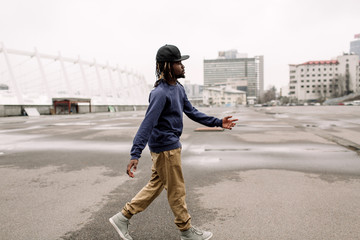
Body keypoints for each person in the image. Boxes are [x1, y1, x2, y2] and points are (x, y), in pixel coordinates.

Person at [109, 44, 238, 240]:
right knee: (177, 191)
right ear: (168, 65)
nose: (183, 66)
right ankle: (186, 231)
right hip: (165, 149)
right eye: (179, 62)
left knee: (155, 186)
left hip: (169, 147)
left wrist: (218, 122)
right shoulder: (160, 93)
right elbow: (148, 123)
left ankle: (122, 217)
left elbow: (192, 112)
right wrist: (135, 154)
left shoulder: (178, 88)